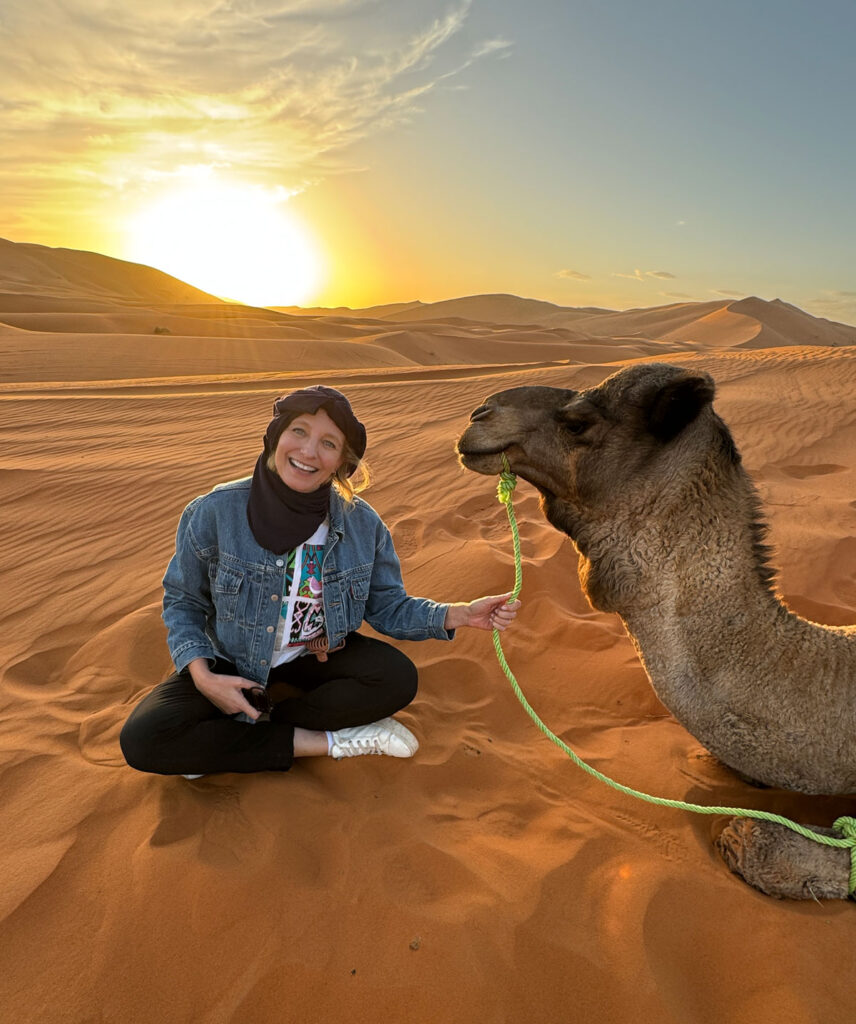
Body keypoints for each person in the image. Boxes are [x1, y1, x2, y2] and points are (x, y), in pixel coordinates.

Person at [120, 385, 519, 777]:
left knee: (397, 678)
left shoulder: (363, 525)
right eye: (299, 431)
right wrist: (202, 676)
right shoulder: (215, 511)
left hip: (309, 658)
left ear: (342, 463)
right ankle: (327, 743)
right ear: (276, 437)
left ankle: (238, 738)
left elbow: (387, 607)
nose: (309, 451)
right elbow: (184, 601)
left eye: (328, 443)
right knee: (144, 739)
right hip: (231, 659)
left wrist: (461, 615)